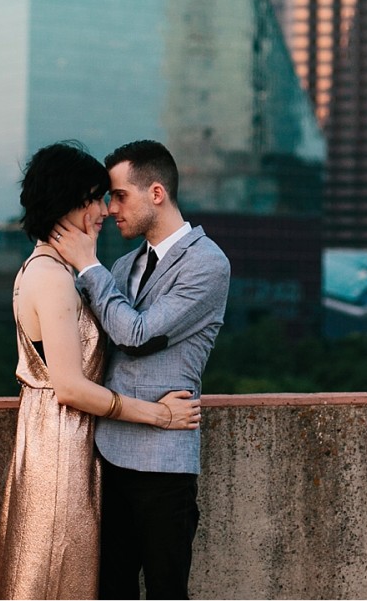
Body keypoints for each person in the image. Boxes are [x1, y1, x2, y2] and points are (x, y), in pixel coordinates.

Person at [0, 141, 201, 601]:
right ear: (69, 202)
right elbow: (68, 386)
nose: (104, 210)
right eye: (95, 197)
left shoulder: (60, 270)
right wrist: (158, 415)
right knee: (56, 575)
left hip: (74, 442)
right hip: (61, 444)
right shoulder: (52, 276)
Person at [48, 139, 230, 601]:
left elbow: (138, 334)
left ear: (156, 193)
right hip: (107, 453)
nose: (109, 210)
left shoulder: (208, 263)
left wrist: (87, 265)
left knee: (167, 591)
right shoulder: (125, 264)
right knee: (111, 589)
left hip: (163, 462)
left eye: (118, 195)